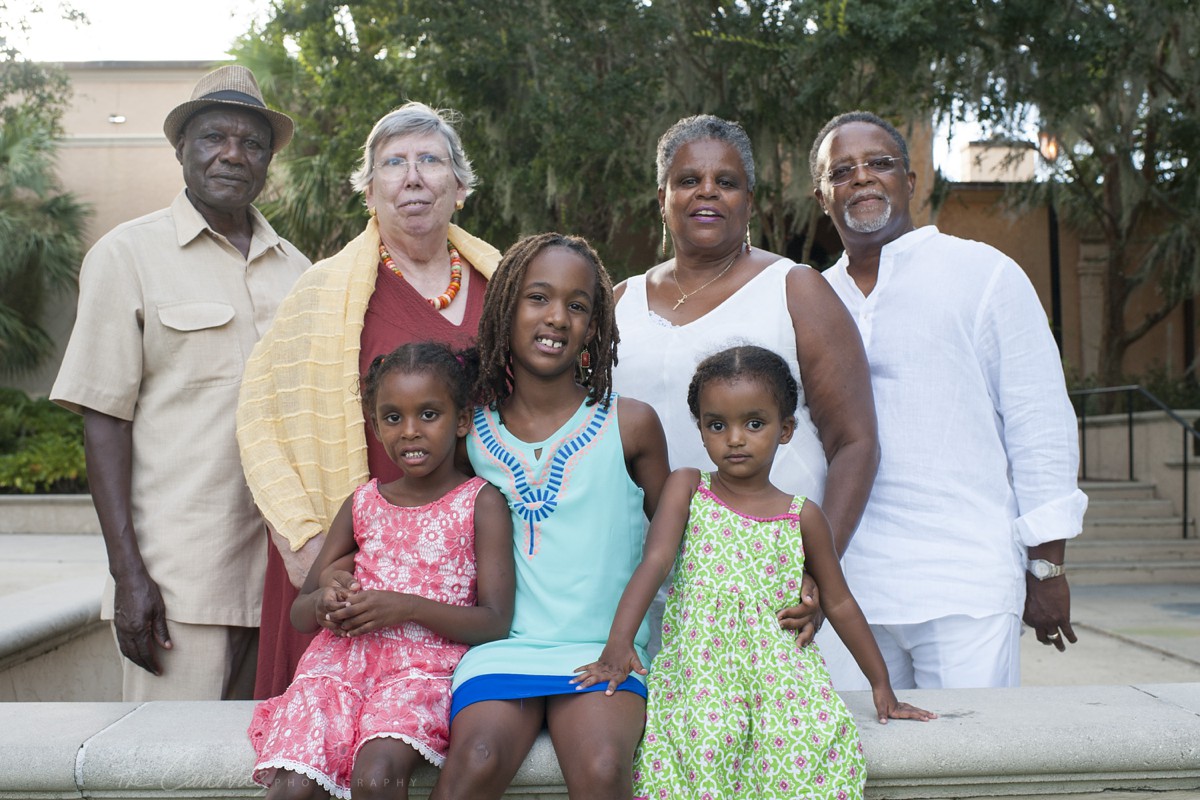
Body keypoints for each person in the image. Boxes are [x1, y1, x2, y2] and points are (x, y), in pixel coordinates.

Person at [49, 65, 310, 701]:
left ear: (268, 161)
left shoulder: (299, 271)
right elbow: (104, 417)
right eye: (213, 137)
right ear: (181, 150)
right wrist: (128, 576)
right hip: (178, 586)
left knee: (261, 775)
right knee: (165, 771)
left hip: (284, 580)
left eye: (252, 143)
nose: (232, 154)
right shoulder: (126, 255)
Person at [576, 345, 935, 799]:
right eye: (717, 425)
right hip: (701, 675)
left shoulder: (802, 517)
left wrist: (881, 685)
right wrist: (619, 643)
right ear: (702, 429)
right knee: (701, 751)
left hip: (781, 681)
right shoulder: (688, 487)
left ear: (785, 430)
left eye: (755, 423)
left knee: (808, 758)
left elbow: (839, 601)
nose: (735, 439)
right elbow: (655, 562)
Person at [808, 110, 1088, 690]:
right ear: (822, 196)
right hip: (844, 586)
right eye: (843, 170)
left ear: (912, 182)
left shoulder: (983, 273)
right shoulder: (808, 296)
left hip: (964, 581)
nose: (861, 178)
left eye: (880, 164)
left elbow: (1039, 422)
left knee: (968, 761)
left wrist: (1047, 566)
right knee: (855, 771)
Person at [237, 102, 502, 700]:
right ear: (371, 188)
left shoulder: (505, 283)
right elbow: (261, 417)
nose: (413, 176)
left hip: (472, 553)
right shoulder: (323, 292)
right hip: (355, 559)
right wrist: (306, 545)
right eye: (394, 163)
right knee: (333, 735)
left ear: (458, 186)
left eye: (430, 160)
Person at [612, 114, 878, 652]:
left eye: (726, 182)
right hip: (653, 584)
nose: (706, 192)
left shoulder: (794, 288)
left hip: (776, 584)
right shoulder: (620, 301)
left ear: (749, 200)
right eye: (688, 180)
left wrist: (817, 572)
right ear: (661, 196)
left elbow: (855, 441)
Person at [428, 233, 671, 800]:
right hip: (502, 647)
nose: (557, 317)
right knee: (478, 759)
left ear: (596, 327)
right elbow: (418, 522)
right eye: (538, 298)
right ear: (507, 308)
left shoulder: (631, 425)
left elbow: (683, 540)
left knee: (606, 765)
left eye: (578, 305)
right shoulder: (470, 433)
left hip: (605, 650)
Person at [249, 342, 514, 800]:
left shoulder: (479, 502)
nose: (410, 432)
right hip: (338, 669)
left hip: (421, 672)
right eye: (393, 418)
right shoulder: (363, 503)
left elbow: (494, 621)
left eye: (428, 415)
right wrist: (327, 603)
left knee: (378, 776)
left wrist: (404, 607)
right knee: (292, 788)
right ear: (375, 425)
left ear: (463, 420)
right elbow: (300, 612)